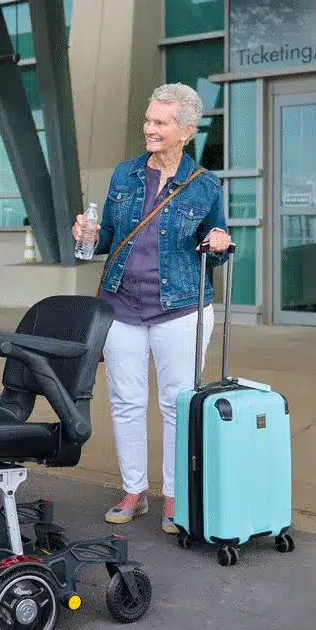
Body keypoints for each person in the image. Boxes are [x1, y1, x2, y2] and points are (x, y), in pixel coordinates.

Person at [72, 83, 232, 534]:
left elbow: (215, 245)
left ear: (185, 130)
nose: (150, 129)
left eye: (160, 123)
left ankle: (175, 495)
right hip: (122, 304)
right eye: (148, 120)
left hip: (180, 308)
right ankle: (134, 490)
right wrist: (87, 233)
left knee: (176, 404)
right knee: (125, 401)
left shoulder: (205, 186)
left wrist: (218, 242)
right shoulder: (125, 174)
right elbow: (105, 241)